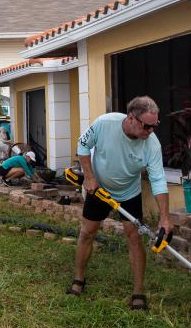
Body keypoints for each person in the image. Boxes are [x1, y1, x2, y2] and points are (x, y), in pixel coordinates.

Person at [69, 96, 171, 310]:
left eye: (155, 125)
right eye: (148, 126)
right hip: (99, 189)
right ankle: (78, 279)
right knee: (87, 232)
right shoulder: (105, 124)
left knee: (134, 237)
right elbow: (83, 145)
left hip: (129, 193)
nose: (151, 131)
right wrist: (89, 177)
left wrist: (164, 218)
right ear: (131, 118)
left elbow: (158, 180)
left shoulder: (151, 144)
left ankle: (138, 292)